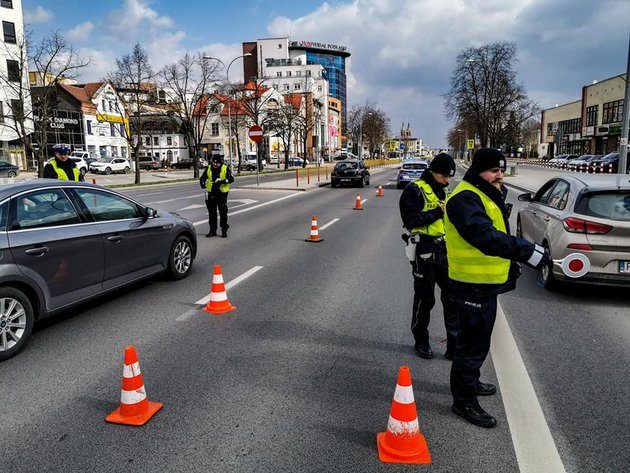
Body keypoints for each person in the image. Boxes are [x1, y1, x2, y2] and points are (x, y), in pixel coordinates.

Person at [444, 148, 549, 428]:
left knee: (478, 342)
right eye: (493, 171)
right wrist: (526, 251)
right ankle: (463, 401)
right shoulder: (465, 198)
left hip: (483, 284)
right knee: (471, 346)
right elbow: (485, 236)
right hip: (471, 285)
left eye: (502, 170)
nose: (499, 175)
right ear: (478, 170)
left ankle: (472, 382)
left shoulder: (484, 193)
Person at [399, 153, 458, 360]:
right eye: (444, 176)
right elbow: (410, 220)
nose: (448, 180)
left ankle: (453, 345)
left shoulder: (444, 191)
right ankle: (421, 341)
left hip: (445, 251)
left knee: (452, 299)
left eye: (449, 177)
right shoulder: (414, 190)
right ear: (434, 172)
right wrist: (437, 213)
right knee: (426, 299)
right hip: (424, 251)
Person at [200, 155, 234, 238]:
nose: (215, 164)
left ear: (220, 162)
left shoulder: (225, 168)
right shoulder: (208, 168)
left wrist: (223, 181)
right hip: (211, 193)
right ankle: (212, 230)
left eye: (217, 163)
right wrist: (202, 183)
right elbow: (202, 178)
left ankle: (224, 229)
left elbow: (231, 179)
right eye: (214, 162)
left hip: (222, 193)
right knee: (212, 213)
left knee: (223, 212)